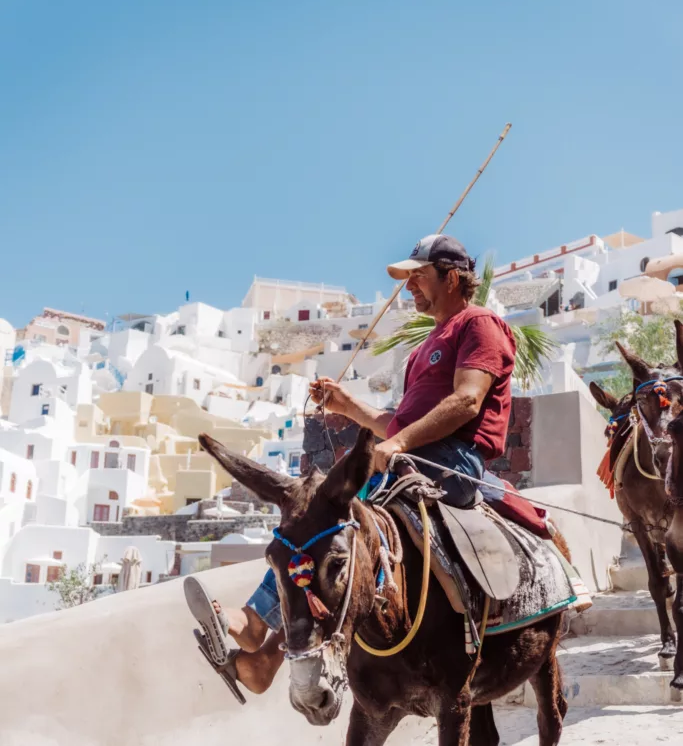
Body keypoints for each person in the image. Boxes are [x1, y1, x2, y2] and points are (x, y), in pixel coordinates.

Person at [185, 234, 532, 702]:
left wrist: (400, 443)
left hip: (451, 461)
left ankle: (259, 641)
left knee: (333, 523)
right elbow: (398, 422)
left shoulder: (481, 325)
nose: (409, 288)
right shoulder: (424, 347)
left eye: (418, 277)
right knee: (314, 526)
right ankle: (261, 645)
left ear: (452, 278)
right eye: (408, 280)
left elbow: (467, 400)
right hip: (411, 456)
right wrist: (349, 407)